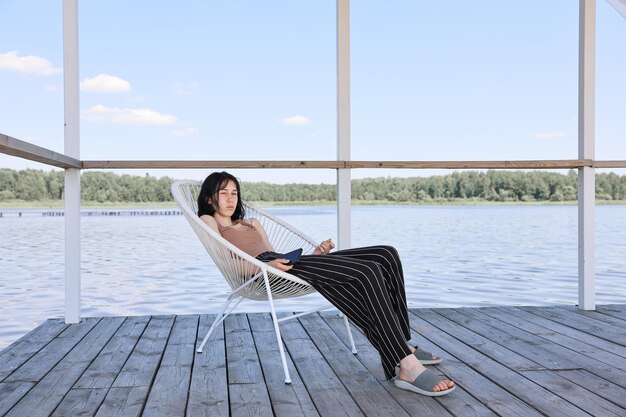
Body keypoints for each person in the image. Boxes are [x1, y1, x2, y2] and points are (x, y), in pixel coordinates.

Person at [197, 171, 455, 397]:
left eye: (235, 193)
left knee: (385, 254)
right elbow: (230, 262)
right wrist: (264, 266)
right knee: (368, 271)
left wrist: (316, 255)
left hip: (281, 265)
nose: (231, 199)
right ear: (210, 198)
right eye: (223, 193)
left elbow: (275, 252)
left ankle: (402, 342)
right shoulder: (210, 221)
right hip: (260, 270)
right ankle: (406, 364)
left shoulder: (252, 222)